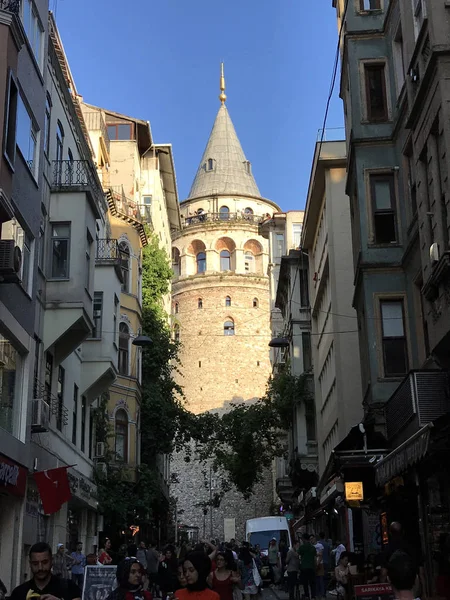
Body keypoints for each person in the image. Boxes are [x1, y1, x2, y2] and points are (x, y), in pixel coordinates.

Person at [10, 542, 81, 600]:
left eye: (44, 562)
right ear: (30, 564)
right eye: (35, 563)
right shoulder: (19, 593)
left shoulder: (69, 587)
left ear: (51, 562)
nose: (40, 568)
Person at [380, 522, 425, 596]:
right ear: (403, 532)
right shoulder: (413, 548)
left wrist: (384, 593)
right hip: (413, 589)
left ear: (390, 533)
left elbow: (383, 574)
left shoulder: (387, 550)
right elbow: (421, 574)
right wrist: (424, 594)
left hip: (396, 589)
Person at [298, 534, 316, 600]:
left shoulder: (302, 547)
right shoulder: (313, 547)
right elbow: (314, 558)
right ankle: (313, 596)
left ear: (304, 539)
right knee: (312, 583)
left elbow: (298, 555)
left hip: (304, 567)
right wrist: (315, 567)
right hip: (311, 567)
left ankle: (307, 596)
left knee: (305, 583)